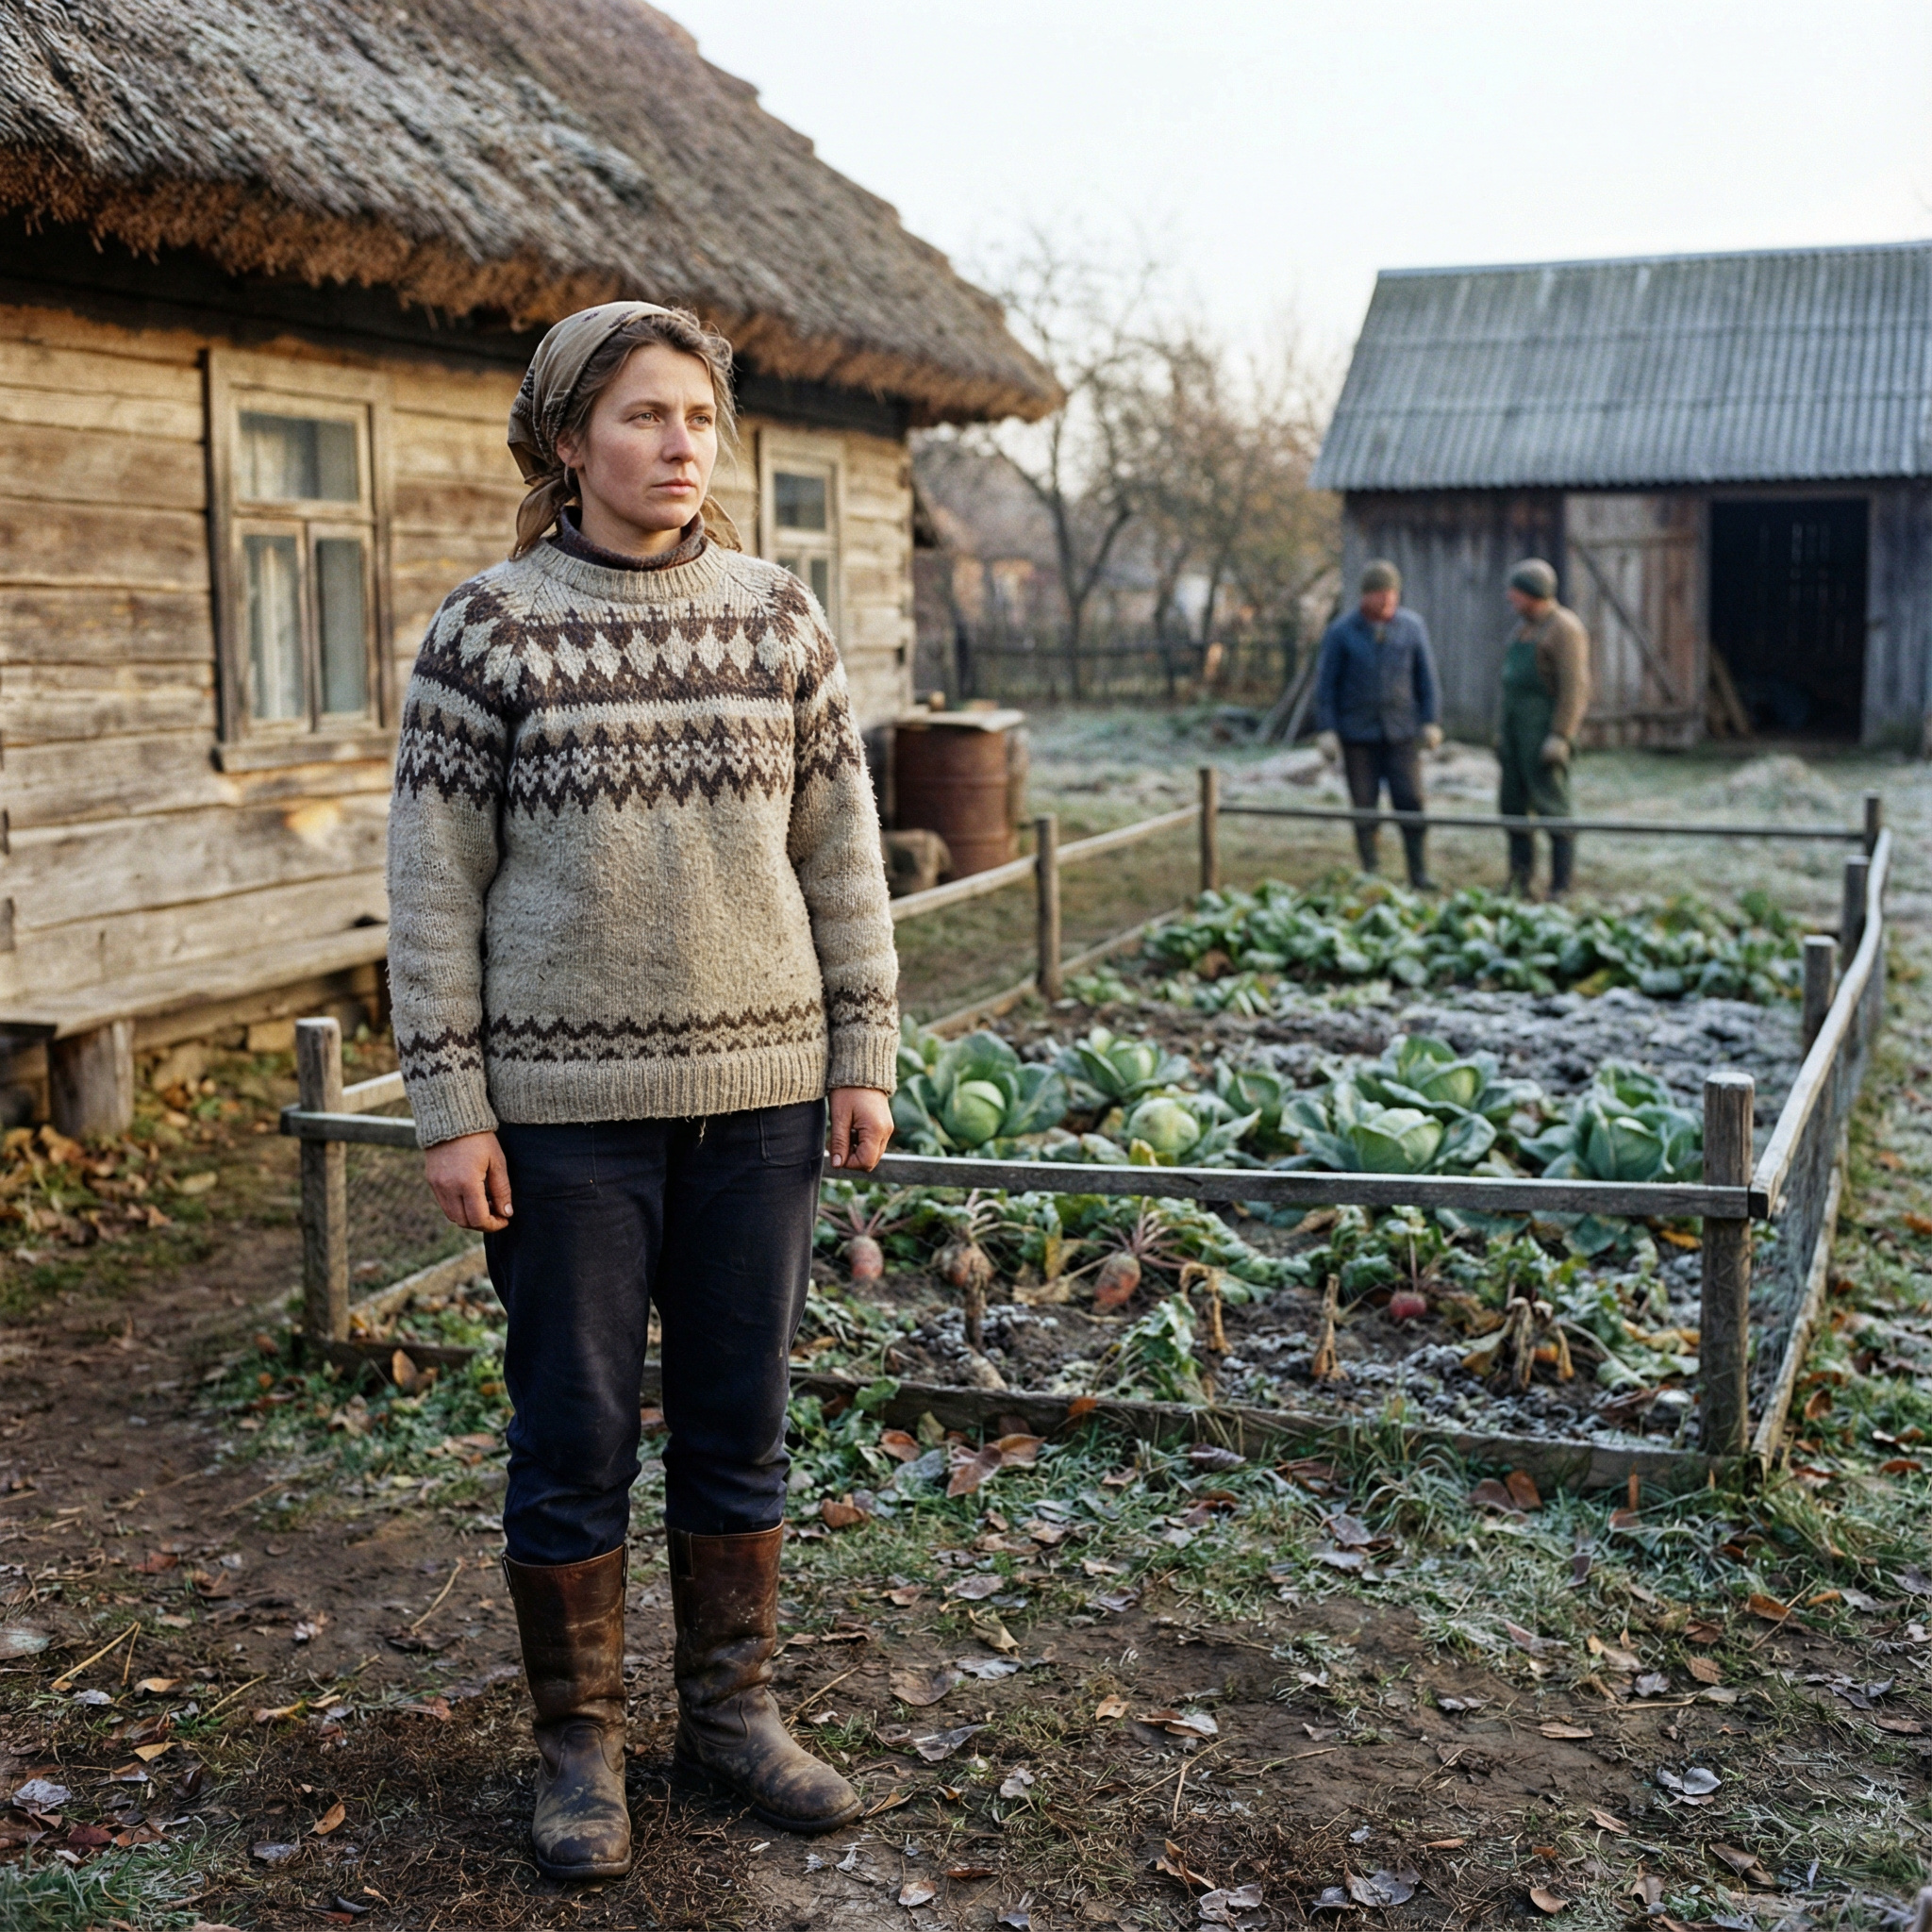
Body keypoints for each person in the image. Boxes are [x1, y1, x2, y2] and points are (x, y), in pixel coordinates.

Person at [385, 302, 900, 1879]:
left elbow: (841, 851)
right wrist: (450, 1100)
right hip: (561, 1116)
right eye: (640, 417)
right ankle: (579, 1747)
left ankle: (729, 1720)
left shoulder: (778, 617)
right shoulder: (487, 631)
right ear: (562, 440)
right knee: (575, 1430)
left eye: (696, 418)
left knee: (740, 1420)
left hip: (758, 1097)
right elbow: (430, 884)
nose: (678, 445)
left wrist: (860, 1050)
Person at [1313, 559, 1443, 889]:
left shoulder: (1412, 627)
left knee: (1411, 802)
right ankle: (1371, 872)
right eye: (1380, 595)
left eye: (1392, 595)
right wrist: (1327, 729)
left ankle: (1419, 873)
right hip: (1358, 735)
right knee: (1364, 806)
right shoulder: (1342, 632)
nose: (1387, 602)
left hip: (1401, 733)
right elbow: (1326, 685)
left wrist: (1430, 721)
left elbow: (1426, 679)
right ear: (1365, 597)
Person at [1496, 558, 1591, 897]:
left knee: (1553, 807)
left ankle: (1561, 886)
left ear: (1533, 594)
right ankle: (1521, 880)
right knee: (1512, 807)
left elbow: (1575, 687)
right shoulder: (1524, 628)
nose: (1510, 598)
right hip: (1515, 735)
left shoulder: (1564, 628)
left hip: (1542, 735)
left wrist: (1561, 735)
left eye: (1516, 592)